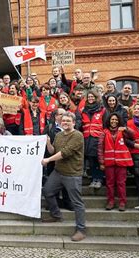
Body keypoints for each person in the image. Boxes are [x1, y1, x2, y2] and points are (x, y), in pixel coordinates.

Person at [41, 112, 86, 242]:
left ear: (73, 122)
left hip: (72, 173)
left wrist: (48, 160)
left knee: (77, 202)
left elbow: (65, 153)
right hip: (58, 171)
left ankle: (81, 229)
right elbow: (54, 150)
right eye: (63, 120)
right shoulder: (59, 135)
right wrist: (48, 143)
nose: (65, 122)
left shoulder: (78, 135)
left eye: (68, 120)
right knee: (47, 191)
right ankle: (56, 215)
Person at [98, 114, 133, 211]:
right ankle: (111, 201)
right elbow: (100, 148)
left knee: (121, 183)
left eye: (116, 120)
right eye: (112, 119)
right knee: (110, 183)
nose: (114, 121)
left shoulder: (122, 131)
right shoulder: (104, 132)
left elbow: (132, 135)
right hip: (109, 162)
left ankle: (122, 202)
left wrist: (126, 129)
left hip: (121, 162)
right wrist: (101, 162)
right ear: (108, 121)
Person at [78, 90, 105, 189]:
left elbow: (105, 124)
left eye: (92, 97)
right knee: (91, 160)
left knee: (98, 160)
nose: (90, 98)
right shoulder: (83, 110)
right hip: (87, 138)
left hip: (98, 138)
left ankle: (99, 179)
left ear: (96, 97)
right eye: (89, 97)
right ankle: (94, 179)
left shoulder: (102, 110)